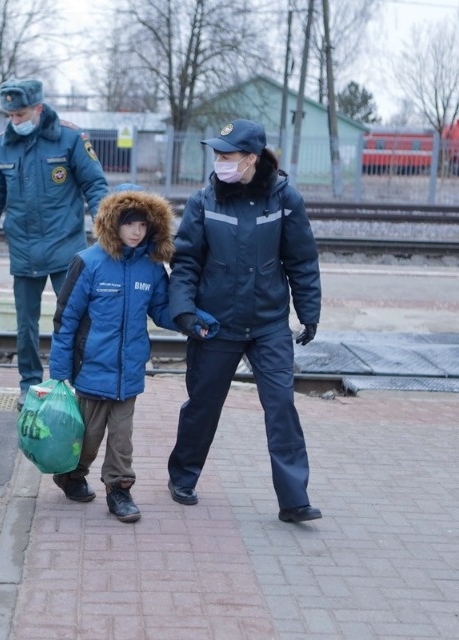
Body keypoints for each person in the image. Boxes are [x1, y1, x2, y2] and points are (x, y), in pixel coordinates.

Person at [166, 118, 323, 524]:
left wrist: (308, 312)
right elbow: (186, 262)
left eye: (227, 155)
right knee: (203, 404)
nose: (219, 161)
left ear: (251, 158)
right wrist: (184, 311)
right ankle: (182, 476)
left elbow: (301, 259)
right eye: (217, 154)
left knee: (281, 407)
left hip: (269, 323)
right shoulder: (204, 201)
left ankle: (294, 499)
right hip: (216, 323)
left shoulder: (285, 199)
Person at [49, 185, 215, 523]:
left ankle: (119, 489)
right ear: (113, 223)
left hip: (129, 371)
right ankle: (71, 475)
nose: (137, 232)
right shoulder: (88, 262)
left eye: (142, 225)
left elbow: (162, 309)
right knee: (89, 438)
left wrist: (192, 320)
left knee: (122, 439)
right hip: (92, 369)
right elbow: (66, 319)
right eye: (129, 224)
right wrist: (60, 370)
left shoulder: (151, 267)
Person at [0, 78, 108, 410]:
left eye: (21, 114)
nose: (15, 121)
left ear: (38, 108)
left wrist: (106, 230)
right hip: (24, 251)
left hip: (66, 249)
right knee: (25, 324)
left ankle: (75, 381)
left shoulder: (70, 138)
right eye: (10, 115)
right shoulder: (1, 148)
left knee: (74, 318)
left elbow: (95, 186)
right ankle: (29, 383)